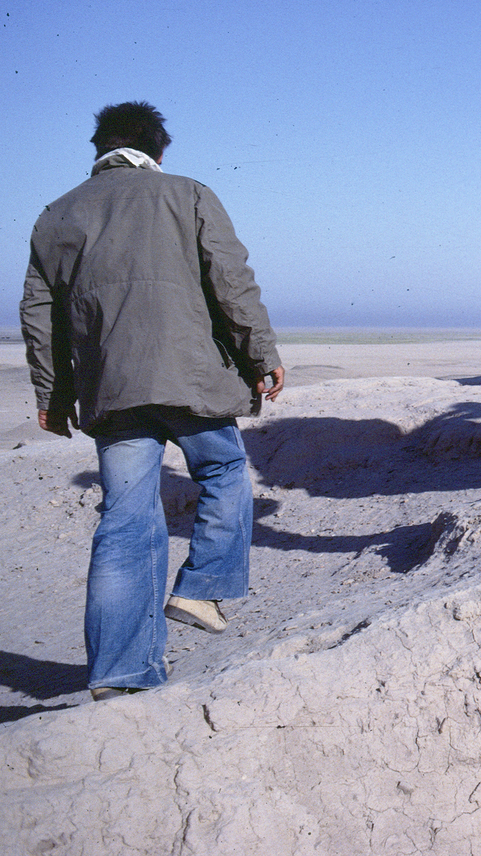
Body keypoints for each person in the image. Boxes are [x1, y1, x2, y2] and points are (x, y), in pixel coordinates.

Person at [20, 102, 284, 700]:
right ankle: (201, 588)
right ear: (159, 151)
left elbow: (39, 313)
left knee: (123, 521)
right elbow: (231, 281)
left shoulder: (57, 213)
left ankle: (120, 672)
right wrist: (261, 354)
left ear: (99, 151)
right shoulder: (187, 193)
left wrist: (53, 393)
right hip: (188, 377)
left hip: (112, 389)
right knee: (223, 468)